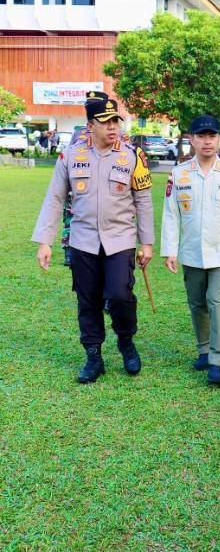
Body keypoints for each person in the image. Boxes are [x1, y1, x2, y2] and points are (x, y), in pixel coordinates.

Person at [32, 99, 154, 383]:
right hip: (83, 240)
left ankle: (125, 339)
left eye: (116, 121)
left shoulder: (132, 156)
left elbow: (144, 200)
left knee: (120, 295)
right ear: (90, 126)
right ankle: (93, 356)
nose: (113, 127)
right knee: (87, 300)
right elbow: (55, 198)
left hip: (120, 239)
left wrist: (146, 242)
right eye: (106, 122)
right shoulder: (71, 156)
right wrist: (45, 241)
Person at [161, 115, 220, 386]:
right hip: (191, 252)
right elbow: (171, 214)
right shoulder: (179, 174)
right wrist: (170, 250)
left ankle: (217, 361)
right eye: (201, 136)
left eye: (212, 136)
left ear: (219, 139)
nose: (207, 141)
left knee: (217, 302)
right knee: (197, 302)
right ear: (192, 140)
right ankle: (203, 349)